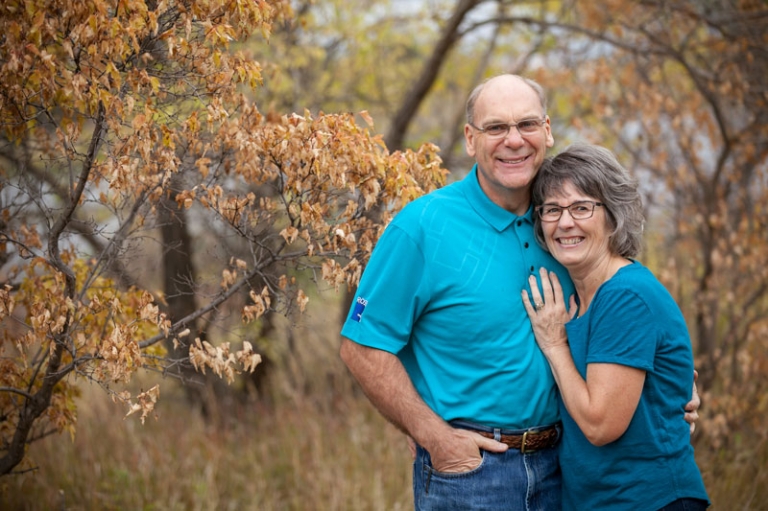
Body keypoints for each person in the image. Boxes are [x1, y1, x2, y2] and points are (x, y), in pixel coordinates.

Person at [340, 74, 699, 510]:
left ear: (546, 130)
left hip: (567, 469)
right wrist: (431, 433)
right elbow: (362, 347)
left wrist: (669, 392)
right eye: (496, 128)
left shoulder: (567, 228)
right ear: (471, 139)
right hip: (472, 474)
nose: (514, 140)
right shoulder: (423, 226)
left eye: (527, 124)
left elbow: (629, 322)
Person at [521, 143, 709, 510]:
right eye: (552, 210)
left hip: (647, 499)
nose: (565, 222)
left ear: (612, 215)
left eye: (581, 207)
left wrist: (555, 345)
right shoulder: (580, 298)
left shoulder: (625, 295)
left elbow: (601, 425)